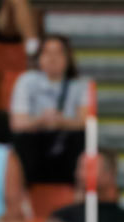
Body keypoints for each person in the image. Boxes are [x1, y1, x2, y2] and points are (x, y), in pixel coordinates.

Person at [9, 33, 86, 186]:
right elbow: (17, 123)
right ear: (39, 57)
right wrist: (41, 120)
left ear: (68, 57)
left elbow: (85, 122)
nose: (52, 58)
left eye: (58, 53)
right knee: (23, 139)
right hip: (35, 145)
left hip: (65, 145)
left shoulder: (80, 85)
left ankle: (79, 195)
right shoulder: (26, 81)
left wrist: (60, 122)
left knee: (81, 138)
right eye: (47, 52)